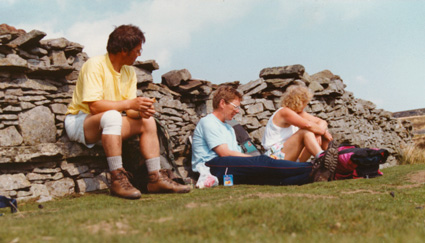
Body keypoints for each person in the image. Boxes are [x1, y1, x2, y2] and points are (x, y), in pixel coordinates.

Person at [64, 24, 191, 199]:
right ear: (124, 50)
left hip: (109, 124)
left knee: (148, 121)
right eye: (137, 50)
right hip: (81, 122)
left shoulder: (129, 72)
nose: (139, 54)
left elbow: (129, 110)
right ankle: (117, 179)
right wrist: (130, 103)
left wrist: (140, 111)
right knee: (112, 116)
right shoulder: (95, 65)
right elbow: (94, 107)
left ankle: (155, 178)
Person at [191, 85, 338, 186]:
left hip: (227, 165)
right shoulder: (208, 122)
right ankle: (316, 166)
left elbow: (233, 154)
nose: (237, 111)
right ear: (222, 103)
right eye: (236, 107)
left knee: (271, 178)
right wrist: (255, 159)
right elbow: (225, 153)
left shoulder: (229, 128)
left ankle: (318, 175)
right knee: (263, 161)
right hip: (212, 165)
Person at [261, 85, 333, 162]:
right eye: (306, 102)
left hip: (291, 155)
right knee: (305, 132)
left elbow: (322, 122)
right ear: (300, 101)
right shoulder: (284, 112)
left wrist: (319, 133)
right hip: (274, 156)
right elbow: (308, 125)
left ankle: (333, 160)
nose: (306, 105)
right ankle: (322, 159)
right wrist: (323, 131)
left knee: (318, 132)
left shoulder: (299, 113)